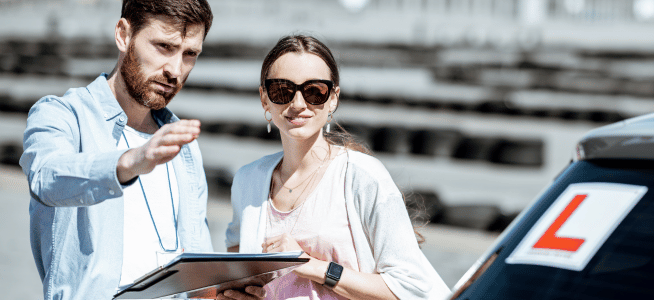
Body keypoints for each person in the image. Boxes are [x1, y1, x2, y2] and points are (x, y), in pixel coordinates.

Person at [221, 35, 451, 300]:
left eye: (314, 91)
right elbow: (236, 271)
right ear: (264, 98)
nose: (297, 104)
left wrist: (311, 266)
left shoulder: (363, 177)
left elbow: (409, 287)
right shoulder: (247, 180)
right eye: (282, 90)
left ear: (333, 99)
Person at [19, 1, 214, 299]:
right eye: (164, 46)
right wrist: (130, 162)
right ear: (123, 35)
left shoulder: (184, 146)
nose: (175, 70)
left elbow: (199, 273)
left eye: (190, 54)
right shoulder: (62, 115)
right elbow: (47, 179)